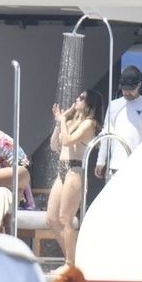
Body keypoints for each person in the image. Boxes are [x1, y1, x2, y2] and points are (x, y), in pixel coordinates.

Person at [45, 89, 99, 264]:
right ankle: (74, 259)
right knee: (51, 219)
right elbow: (55, 146)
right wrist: (59, 122)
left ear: (89, 103)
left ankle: (70, 263)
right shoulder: (71, 121)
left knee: (65, 219)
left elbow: (68, 141)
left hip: (75, 170)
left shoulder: (89, 123)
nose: (77, 99)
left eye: (82, 98)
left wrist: (62, 120)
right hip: (62, 169)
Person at [96, 65, 142, 180]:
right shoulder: (114, 105)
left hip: (141, 168)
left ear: (139, 85)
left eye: (131, 89)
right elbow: (106, 134)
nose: (127, 92)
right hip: (116, 166)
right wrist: (100, 160)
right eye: (124, 89)